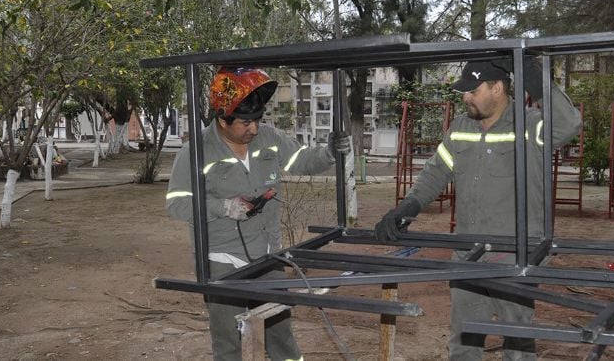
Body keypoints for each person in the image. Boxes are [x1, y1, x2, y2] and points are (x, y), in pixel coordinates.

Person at [374, 60, 582, 360]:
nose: (465, 97)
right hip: (468, 253)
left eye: (473, 91)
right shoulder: (461, 128)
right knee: (463, 341)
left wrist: (531, 74)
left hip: (514, 255)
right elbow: (436, 172)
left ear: (497, 88)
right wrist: (407, 208)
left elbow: (568, 125)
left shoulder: (531, 126)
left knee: (518, 344)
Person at [166, 67, 350, 361]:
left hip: (267, 256)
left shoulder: (269, 138)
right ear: (223, 119)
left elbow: (301, 160)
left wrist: (328, 153)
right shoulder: (196, 152)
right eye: (245, 123)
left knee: (281, 336)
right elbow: (176, 204)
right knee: (229, 343)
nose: (253, 129)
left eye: (257, 120)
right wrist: (222, 207)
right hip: (223, 261)